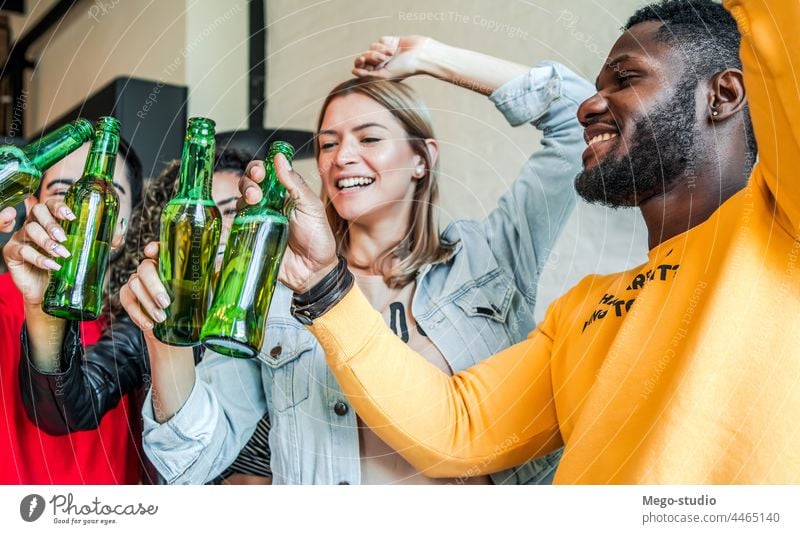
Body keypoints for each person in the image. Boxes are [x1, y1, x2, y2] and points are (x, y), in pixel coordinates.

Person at [230, 0, 800, 483]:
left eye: (625, 79)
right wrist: (324, 286)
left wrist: (433, 57)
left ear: (723, 94)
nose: (588, 104)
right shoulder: (581, 313)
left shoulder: (783, 225)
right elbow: (455, 428)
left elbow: (784, 40)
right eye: (327, 143)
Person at [127, 38, 592, 484]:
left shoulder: (492, 256)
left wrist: (433, 57)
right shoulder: (277, 293)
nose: (342, 157)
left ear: (422, 159)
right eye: (328, 145)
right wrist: (164, 337)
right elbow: (190, 459)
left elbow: (581, 116)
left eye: (369, 138)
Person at [10, 147, 256, 483]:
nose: (219, 230)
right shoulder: (144, 323)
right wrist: (44, 311)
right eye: (199, 216)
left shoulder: (288, 316)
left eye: (234, 214)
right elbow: (68, 406)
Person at [0, 138, 142, 484]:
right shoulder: (4, 303)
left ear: (125, 225)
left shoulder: (138, 322)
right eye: (65, 192)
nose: (83, 210)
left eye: (105, 195)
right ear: (32, 204)